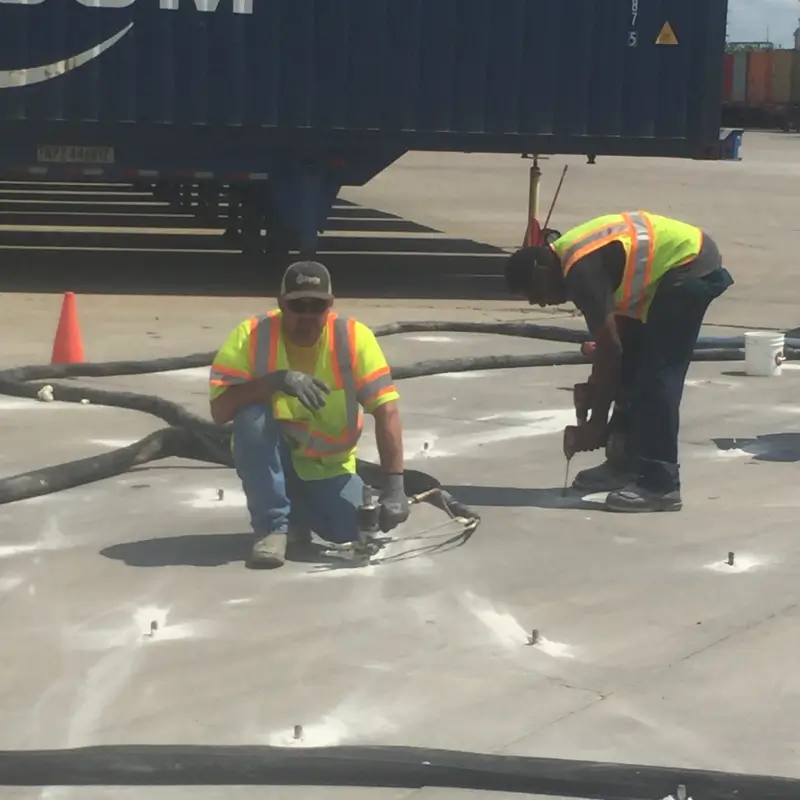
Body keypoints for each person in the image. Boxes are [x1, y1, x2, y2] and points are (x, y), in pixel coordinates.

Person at [504, 210, 734, 513]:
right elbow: (615, 343)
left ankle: (660, 484)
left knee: (657, 375)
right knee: (631, 367)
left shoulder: (580, 270)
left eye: (536, 294)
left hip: (689, 265)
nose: (541, 303)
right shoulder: (575, 263)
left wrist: (596, 424)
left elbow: (609, 348)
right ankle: (625, 464)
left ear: (541, 269)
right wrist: (596, 385)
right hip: (663, 274)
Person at [208, 260, 410, 568]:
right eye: (297, 306)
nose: (306, 315)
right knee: (252, 418)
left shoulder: (353, 338)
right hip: (274, 460)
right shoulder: (251, 335)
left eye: (315, 306)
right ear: (281, 304)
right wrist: (274, 382)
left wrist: (395, 485)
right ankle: (273, 529)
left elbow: (387, 412)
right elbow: (220, 411)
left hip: (328, 467)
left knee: (354, 528)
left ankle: (297, 516)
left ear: (330, 305)